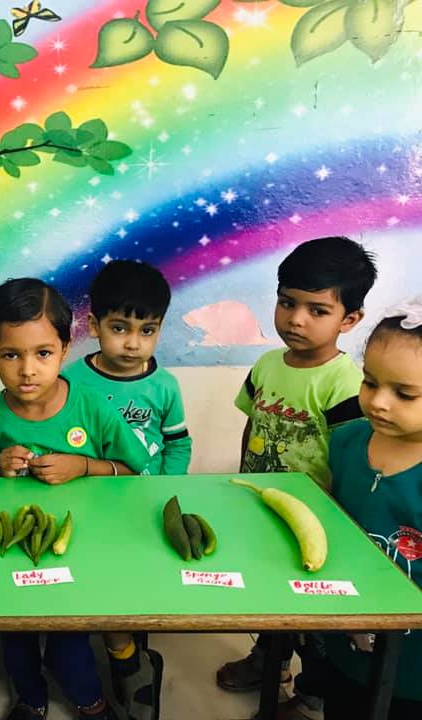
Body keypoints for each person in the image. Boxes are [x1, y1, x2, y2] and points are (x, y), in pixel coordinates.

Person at [0, 278, 155, 720]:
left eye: (43, 353)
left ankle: (91, 702)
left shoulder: (92, 407)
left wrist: (82, 465)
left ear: (65, 348)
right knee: (15, 638)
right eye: (11, 355)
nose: (28, 370)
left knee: (69, 641)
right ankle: (31, 698)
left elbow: (135, 470)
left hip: (80, 553)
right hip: (13, 555)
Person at [215, 237, 377, 720]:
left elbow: (351, 454)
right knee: (268, 591)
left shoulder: (343, 382)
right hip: (264, 503)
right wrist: (243, 477)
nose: (296, 319)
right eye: (287, 303)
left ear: (350, 319)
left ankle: (312, 695)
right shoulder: (267, 364)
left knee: (311, 619)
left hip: (316, 517)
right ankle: (269, 661)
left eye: (317, 310)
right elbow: (253, 424)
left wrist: (334, 512)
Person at [320, 301, 422, 718]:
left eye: (405, 394)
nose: (378, 402)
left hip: (413, 662)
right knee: (342, 703)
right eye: (369, 382)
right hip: (343, 633)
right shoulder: (347, 441)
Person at [63, 259, 191, 475]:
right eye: (119, 329)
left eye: (147, 331)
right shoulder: (69, 380)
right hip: (89, 488)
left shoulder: (165, 386)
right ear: (94, 326)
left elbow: (177, 445)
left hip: (148, 489)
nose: (133, 344)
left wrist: (168, 486)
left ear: (159, 331)